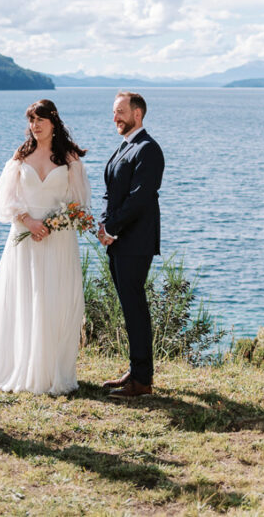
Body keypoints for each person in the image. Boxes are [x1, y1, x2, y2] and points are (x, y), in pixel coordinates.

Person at [0, 98, 91, 395]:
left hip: (57, 240)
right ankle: (20, 365)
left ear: (53, 123)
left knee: (53, 300)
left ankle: (51, 371)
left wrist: (58, 222)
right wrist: (28, 221)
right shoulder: (21, 156)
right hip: (25, 237)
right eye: (31, 121)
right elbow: (5, 201)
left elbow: (79, 203)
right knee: (24, 298)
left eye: (39, 120)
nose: (34, 126)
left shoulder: (70, 158)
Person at [98, 90, 164, 399]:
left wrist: (112, 227)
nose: (115, 117)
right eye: (113, 112)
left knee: (135, 308)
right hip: (120, 241)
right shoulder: (126, 147)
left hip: (136, 243)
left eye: (120, 112)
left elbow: (139, 199)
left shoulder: (148, 149)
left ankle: (142, 381)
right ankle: (137, 371)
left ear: (137, 114)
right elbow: (112, 194)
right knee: (129, 308)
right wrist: (103, 224)